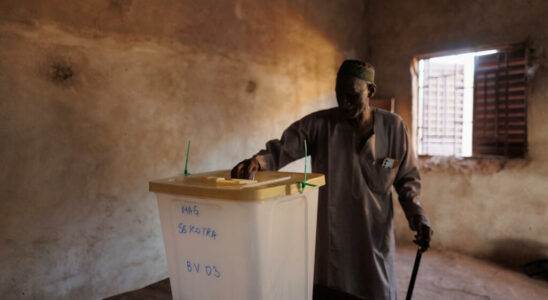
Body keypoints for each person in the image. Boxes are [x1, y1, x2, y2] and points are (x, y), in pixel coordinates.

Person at [231, 60, 432, 300]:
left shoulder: (394, 128)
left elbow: (407, 179)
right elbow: (282, 149)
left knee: (376, 291)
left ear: (371, 91)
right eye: (339, 95)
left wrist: (417, 215)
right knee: (332, 291)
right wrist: (258, 162)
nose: (345, 103)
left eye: (352, 95)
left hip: (374, 238)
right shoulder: (319, 126)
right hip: (334, 240)